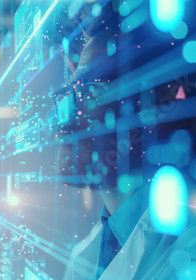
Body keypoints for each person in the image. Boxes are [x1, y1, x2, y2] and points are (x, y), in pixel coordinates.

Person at [59, 1, 196, 279]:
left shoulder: (187, 257)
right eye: (68, 95)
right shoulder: (83, 257)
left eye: (91, 90)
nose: (65, 116)